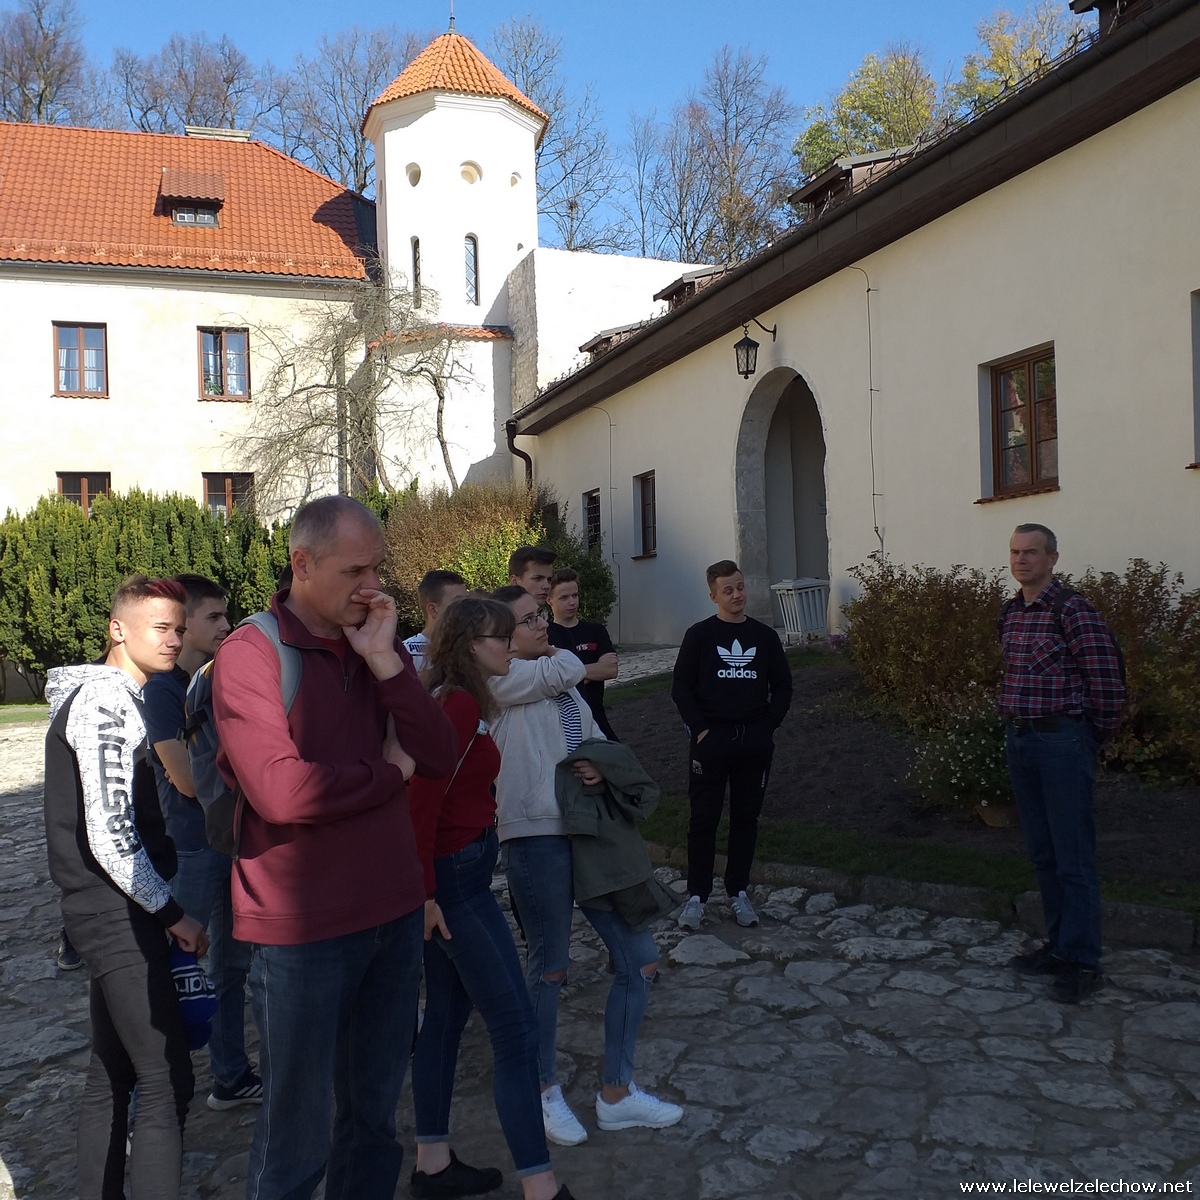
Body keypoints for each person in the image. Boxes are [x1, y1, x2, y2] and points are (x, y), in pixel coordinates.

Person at [211, 495, 459, 1200]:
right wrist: (386, 775)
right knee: (295, 1141)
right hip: (302, 930)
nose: (373, 587)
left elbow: (441, 754)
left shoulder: (374, 642)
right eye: (355, 571)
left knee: (373, 1125)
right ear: (302, 563)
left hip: (391, 913)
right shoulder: (251, 653)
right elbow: (281, 793)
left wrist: (385, 662)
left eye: (378, 568)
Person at [490, 585, 682, 1148]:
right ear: (502, 637)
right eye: (529, 620)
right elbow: (569, 667)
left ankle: (617, 1093)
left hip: (588, 834)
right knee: (549, 967)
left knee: (640, 960)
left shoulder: (559, 681)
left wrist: (598, 767)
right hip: (536, 837)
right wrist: (560, 654)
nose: (542, 625)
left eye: (540, 616)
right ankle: (542, 1089)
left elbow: (594, 737)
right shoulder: (498, 681)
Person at [43, 574, 209, 1200]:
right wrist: (172, 913)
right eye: (160, 627)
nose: (174, 639)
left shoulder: (116, 698)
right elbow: (111, 834)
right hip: (116, 914)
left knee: (110, 1074)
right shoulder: (105, 704)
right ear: (118, 629)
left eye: (179, 628)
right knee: (166, 1079)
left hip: (110, 911)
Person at [409, 596, 575, 1200]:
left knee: (446, 1018)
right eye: (499, 637)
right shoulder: (456, 704)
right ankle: (542, 1187)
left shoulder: (462, 700)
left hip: (454, 878)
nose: (509, 645)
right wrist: (427, 895)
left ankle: (432, 1164)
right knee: (515, 1027)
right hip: (454, 886)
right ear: (469, 646)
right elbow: (421, 801)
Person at [143, 574, 262, 1111]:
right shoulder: (163, 691)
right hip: (192, 848)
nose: (226, 626)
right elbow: (188, 781)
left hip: (226, 840)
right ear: (182, 623)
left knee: (231, 968)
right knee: (175, 970)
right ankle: (149, 1101)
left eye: (226, 614)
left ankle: (230, 1076)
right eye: (213, 617)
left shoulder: (211, 681)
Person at [999, 523, 1125, 1004]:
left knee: (1073, 857)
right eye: (1015, 552)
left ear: (1052, 558)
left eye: (1031, 552)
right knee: (1044, 854)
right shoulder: (1011, 612)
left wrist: (1088, 738)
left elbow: (1107, 681)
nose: (1021, 559)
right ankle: (1059, 946)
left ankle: (1084, 962)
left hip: (1062, 743)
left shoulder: (1073, 610)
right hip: (1021, 740)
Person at [672, 559, 793, 931]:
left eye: (740, 587)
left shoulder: (764, 636)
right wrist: (700, 730)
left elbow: (783, 686)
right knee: (703, 819)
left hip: (753, 742)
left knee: (746, 819)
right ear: (714, 596)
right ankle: (697, 896)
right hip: (711, 742)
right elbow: (681, 687)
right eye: (728, 590)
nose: (737, 595)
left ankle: (738, 890)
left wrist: (767, 727)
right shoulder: (699, 635)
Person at [546, 568, 620, 741]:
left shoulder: (596, 630)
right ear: (549, 600)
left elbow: (610, 670)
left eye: (575, 595)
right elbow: (551, 682)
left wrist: (567, 674)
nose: (572, 602)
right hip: (563, 725)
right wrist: (594, 670)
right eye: (564, 598)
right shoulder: (545, 635)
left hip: (597, 717)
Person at [404, 569, 469, 672]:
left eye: (467, 601)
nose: (468, 608)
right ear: (433, 609)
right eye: (458, 602)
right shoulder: (406, 654)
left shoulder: (472, 650)